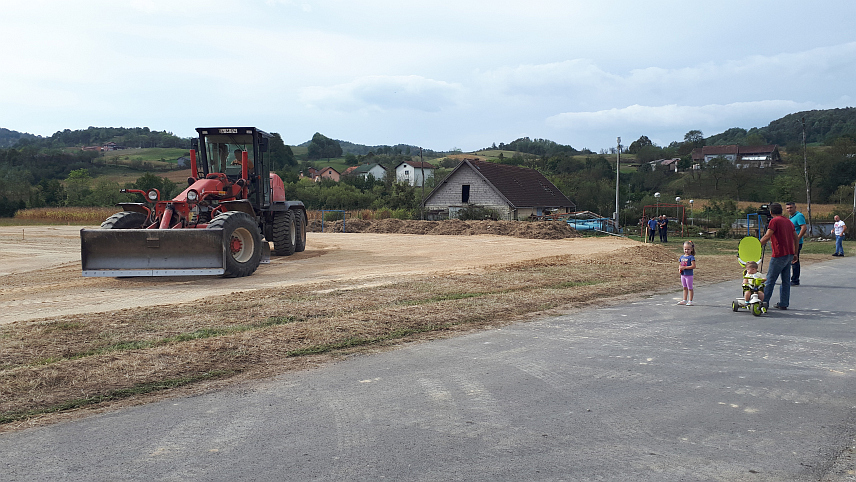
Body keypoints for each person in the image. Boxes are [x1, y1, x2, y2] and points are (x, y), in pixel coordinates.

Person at [760, 203, 798, 310]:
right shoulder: (789, 221)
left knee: (770, 280)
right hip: (789, 254)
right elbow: (796, 237)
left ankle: (764, 302)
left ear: (771, 212)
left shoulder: (774, 221)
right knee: (785, 281)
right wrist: (795, 253)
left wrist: (757, 246)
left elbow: (768, 235)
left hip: (779, 254)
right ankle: (784, 302)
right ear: (782, 211)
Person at [785, 202, 807, 285]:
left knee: (794, 260)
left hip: (796, 242)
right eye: (787, 208)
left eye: (791, 207)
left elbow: (804, 228)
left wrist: (798, 238)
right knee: (790, 260)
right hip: (790, 242)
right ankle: (791, 278)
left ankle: (795, 280)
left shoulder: (799, 216)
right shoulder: (791, 217)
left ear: (795, 207)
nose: (789, 209)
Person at [677, 240, 696, 305]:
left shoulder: (691, 257)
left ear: (691, 249)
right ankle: (684, 300)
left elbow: (693, 266)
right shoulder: (682, 257)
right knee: (684, 287)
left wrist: (685, 267)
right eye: (685, 249)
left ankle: (690, 300)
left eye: (688, 249)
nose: (686, 251)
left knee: (689, 287)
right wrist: (680, 268)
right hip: (683, 275)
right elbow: (680, 264)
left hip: (689, 275)